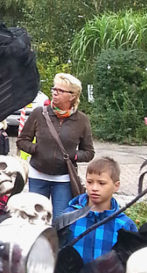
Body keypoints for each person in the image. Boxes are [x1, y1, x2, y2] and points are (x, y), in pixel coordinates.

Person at [26, 73, 96, 217]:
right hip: (37, 175)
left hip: (63, 179)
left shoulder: (82, 120)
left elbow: (89, 152)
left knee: (61, 221)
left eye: (60, 90)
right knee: (35, 220)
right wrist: (36, 149)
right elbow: (22, 140)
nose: (54, 92)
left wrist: (73, 155)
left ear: (72, 96)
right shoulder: (39, 113)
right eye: (54, 89)